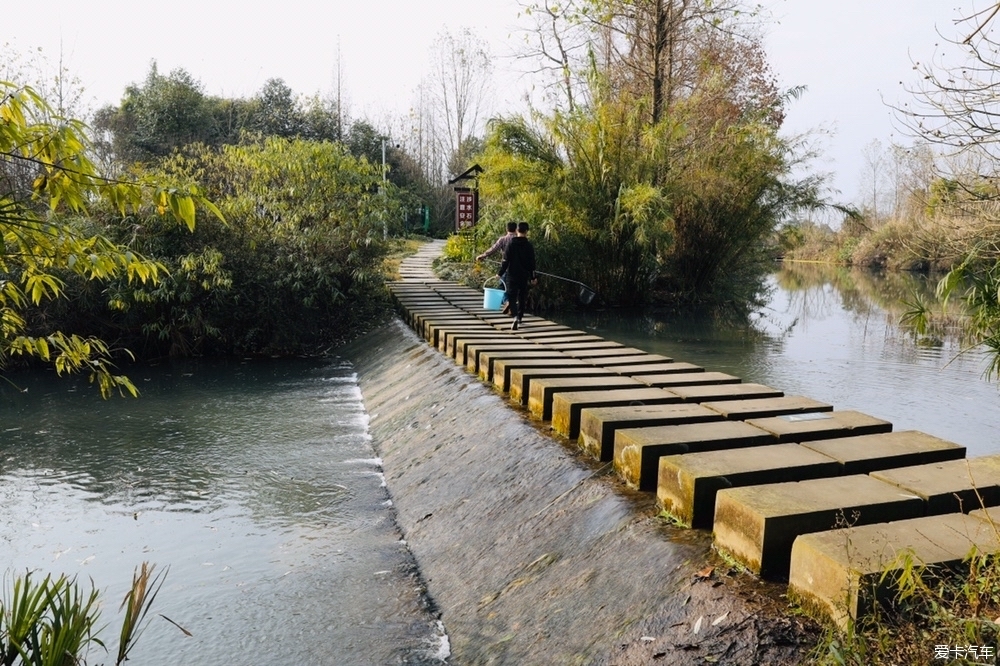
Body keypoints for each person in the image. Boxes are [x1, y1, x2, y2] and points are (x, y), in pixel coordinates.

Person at [498, 222, 536, 330]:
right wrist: (533, 277)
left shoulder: (510, 244)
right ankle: (519, 317)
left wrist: (500, 273)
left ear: (517, 231)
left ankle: (514, 316)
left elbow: (505, 261)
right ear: (526, 231)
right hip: (523, 275)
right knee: (522, 296)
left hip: (512, 275)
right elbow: (532, 263)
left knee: (512, 296)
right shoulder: (529, 246)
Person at [477, 221, 518, 313]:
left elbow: (493, 249)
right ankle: (512, 306)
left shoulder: (503, 239)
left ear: (506, 229)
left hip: (505, 268)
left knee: (501, 287)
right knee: (514, 288)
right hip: (518, 269)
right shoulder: (519, 240)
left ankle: (507, 302)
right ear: (516, 229)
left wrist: (482, 256)